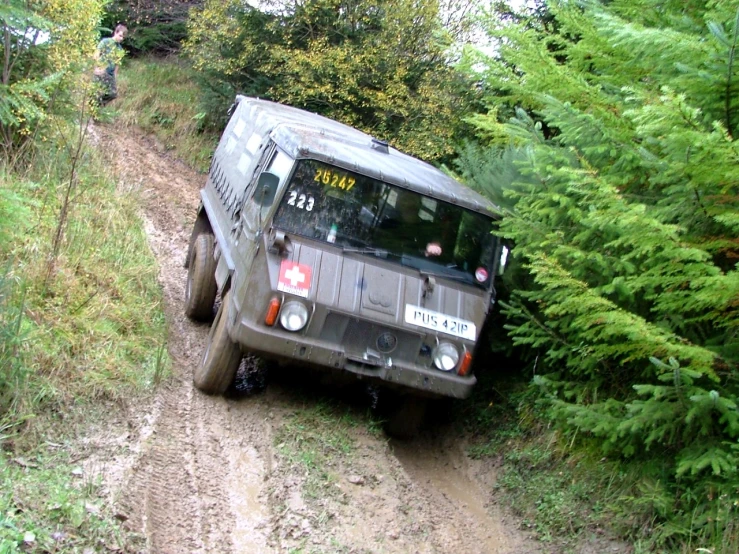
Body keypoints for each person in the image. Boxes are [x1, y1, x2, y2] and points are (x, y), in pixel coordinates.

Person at [93, 24, 127, 105]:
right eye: (120, 36)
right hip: (100, 71)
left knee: (113, 94)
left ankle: (99, 105)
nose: (121, 38)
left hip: (110, 74)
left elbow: (117, 63)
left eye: (123, 37)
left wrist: (115, 76)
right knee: (95, 93)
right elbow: (96, 54)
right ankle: (92, 112)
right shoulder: (105, 41)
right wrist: (97, 67)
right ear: (115, 32)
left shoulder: (120, 49)